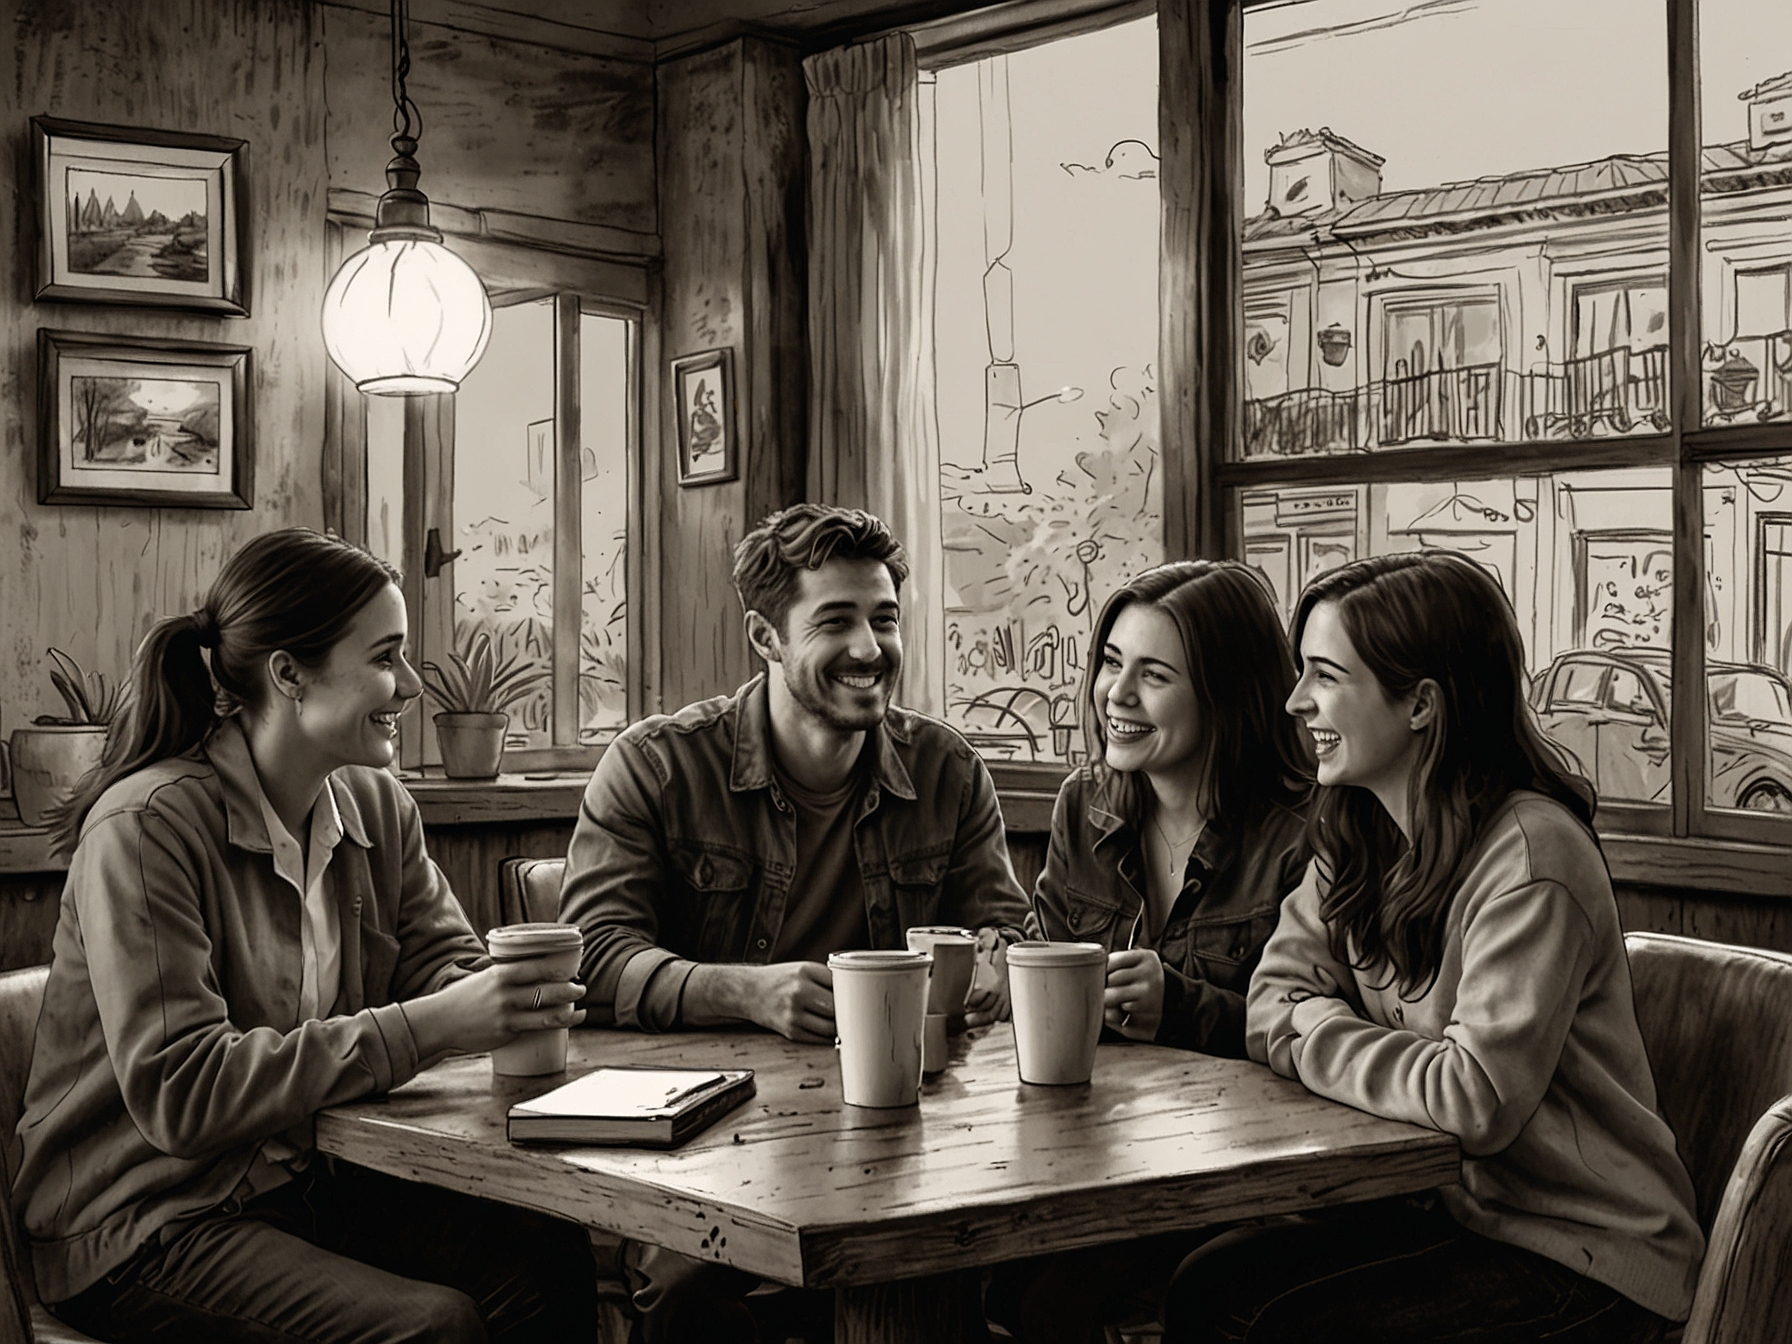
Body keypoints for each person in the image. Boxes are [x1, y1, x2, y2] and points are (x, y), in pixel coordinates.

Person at [17, 528, 597, 1344]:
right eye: (385, 658)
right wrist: (436, 1023)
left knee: (545, 1257)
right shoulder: (147, 829)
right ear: (289, 673)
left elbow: (440, 966)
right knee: (433, 1328)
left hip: (312, 1182)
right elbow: (183, 1093)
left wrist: (508, 987)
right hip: (148, 1220)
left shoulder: (375, 804)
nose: (407, 688)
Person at [1163, 551, 1704, 1343]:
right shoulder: (1359, 833)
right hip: (1460, 1214)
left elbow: (1470, 1098)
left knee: (1294, 1327)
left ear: (1420, 704)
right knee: (1206, 1284)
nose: (1294, 701)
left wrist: (1314, 1030)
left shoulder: (1532, 857)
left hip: (1589, 1255)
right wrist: (1311, 1026)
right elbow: (1269, 1004)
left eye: (1325, 675)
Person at [559, 503, 1032, 1343]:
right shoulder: (658, 765)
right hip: (708, 1140)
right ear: (766, 636)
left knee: (990, 1272)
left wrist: (994, 976)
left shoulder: (948, 770)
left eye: (884, 619)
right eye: (835, 621)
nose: (868, 648)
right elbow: (592, 960)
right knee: (689, 1290)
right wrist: (749, 994)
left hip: (909, 1134)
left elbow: (1002, 942)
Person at [986, 560, 1313, 1344]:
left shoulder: (1308, 833)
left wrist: (1185, 1009)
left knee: (1047, 1300)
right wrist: (1005, 981)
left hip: (1246, 1182)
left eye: (1154, 675)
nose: (1116, 695)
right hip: (1081, 1162)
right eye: (1110, 662)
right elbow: (1047, 963)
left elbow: (1335, 1038)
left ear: (1226, 693)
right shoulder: (1084, 804)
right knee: (977, 1281)